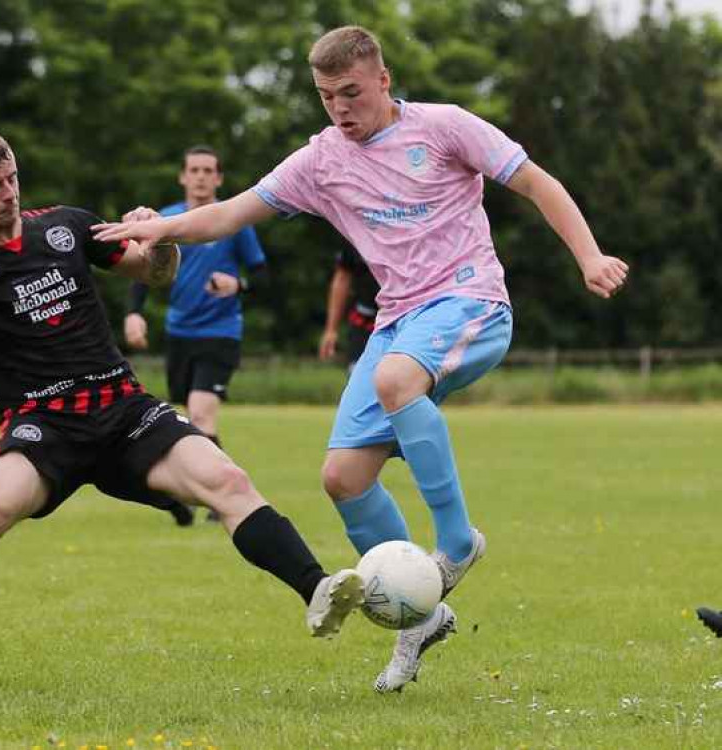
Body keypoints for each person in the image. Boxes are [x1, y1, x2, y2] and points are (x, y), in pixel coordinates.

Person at [94, 25, 629, 694]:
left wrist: (588, 255)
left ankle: (456, 543)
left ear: (382, 79)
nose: (340, 108)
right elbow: (229, 215)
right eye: (326, 97)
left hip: (469, 303)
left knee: (395, 377)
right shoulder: (320, 162)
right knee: (342, 478)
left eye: (350, 92)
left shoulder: (444, 126)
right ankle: (419, 617)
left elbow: (537, 184)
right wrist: (160, 226)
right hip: (398, 321)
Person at [0, 127, 364, 693]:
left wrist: (163, 241)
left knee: (227, 477)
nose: (9, 194)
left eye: (13, 179)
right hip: (44, 426)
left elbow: (153, 271)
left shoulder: (67, 227)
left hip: (123, 410)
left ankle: (317, 589)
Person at [124, 146, 268, 521]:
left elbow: (264, 278)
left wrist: (238, 285)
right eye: (195, 170)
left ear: (218, 178)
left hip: (221, 332)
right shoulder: (167, 220)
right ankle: (181, 497)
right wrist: (134, 314)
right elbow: (141, 269)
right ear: (183, 176)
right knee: (182, 419)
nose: (201, 176)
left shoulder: (234, 221)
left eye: (209, 170)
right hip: (178, 333)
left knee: (203, 415)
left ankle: (224, 497)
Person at [318, 241, 379, 370]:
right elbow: (342, 278)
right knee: (360, 377)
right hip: (364, 323)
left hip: (406, 320)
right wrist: (331, 330)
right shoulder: (355, 231)